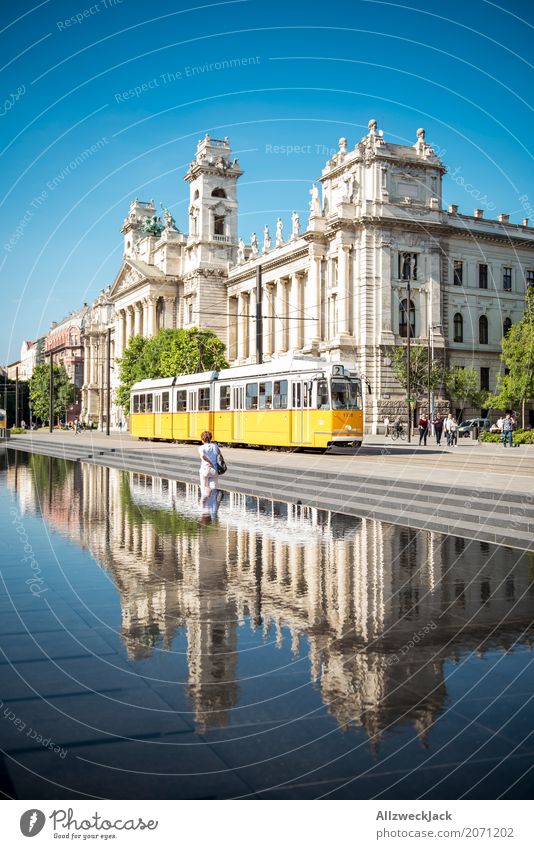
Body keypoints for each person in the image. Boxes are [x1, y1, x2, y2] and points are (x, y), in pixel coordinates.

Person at [198, 430, 220, 508]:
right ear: (210, 438)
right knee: (213, 487)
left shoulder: (201, 447)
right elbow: (218, 454)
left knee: (204, 486)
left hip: (205, 469)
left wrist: (209, 462)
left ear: (202, 439)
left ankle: (203, 504)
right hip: (214, 470)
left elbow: (203, 456)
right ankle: (212, 505)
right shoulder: (215, 446)